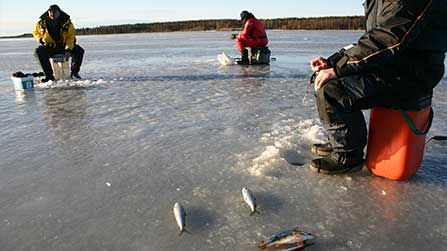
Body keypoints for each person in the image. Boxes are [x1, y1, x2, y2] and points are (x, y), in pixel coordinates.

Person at [309, 0, 446, 174]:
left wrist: (339, 68)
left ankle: (347, 155)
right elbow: (370, 39)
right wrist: (333, 61)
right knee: (325, 78)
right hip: (393, 68)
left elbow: (388, 37)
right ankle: (342, 139)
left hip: (411, 76)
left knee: (333, 90)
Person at [33, 4, 84, 82]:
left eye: (55, 12)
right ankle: (49, 76)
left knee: (79, 50)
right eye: (50, 11)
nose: (52, 13)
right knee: (38, 51)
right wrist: (40, 39)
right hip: (49, 47)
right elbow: (35, 32)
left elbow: (71, 37)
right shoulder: (41, 23)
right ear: (48, 12)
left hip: (63, 46)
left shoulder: (67, 23)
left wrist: (68, 50)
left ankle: (74, 73)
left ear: (59, 13)